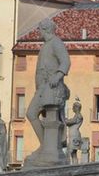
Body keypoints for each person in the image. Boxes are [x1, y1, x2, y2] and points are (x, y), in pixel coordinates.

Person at [26, 18, 70, 146]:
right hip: (42, 88)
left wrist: (58, 75)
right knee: (33, 114)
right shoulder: (45, 45)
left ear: (45, 29)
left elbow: (66, 61)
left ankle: (47, 146)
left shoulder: (56, 42)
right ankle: (47, 146)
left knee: (32, 113)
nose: (38, 32)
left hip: (51, 87)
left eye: (39, 29)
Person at [64, 99, 84, 164]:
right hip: (73, 135)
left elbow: (71, 122)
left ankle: (71, 165)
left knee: (70, 151)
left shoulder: (78, 116)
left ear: (77, 108)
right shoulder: (76, 116)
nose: (72, 108)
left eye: (73, 107)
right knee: (73, 153)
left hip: (75, 136)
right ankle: (74, 165)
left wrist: (64, 119)